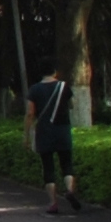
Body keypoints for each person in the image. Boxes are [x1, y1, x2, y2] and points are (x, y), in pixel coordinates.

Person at [26, 69, 83, 214]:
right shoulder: (64, 86)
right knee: (66, 164)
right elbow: (72, 105)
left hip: (44, 131)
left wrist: (26, 134)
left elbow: (30, 113)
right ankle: (69, 190)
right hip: (63, 130)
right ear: (55, 72)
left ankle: (53, 203)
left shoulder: (34, 89)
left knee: (48, 167)